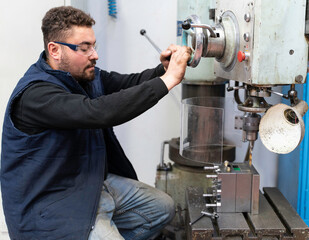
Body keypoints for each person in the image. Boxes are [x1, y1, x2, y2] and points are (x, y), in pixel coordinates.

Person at [0, 6, 191, 240]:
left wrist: (163, 70)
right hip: (50, 206)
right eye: (84, 48)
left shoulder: (84, 77)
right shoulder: (36, 95)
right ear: (55, 50)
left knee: (161, 208)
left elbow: (128, 84)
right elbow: (96, 112)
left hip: (87, 183)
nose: (94, 54)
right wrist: (168, 80)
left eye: (94, 45)